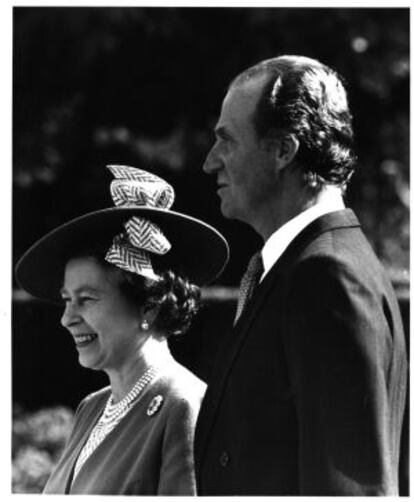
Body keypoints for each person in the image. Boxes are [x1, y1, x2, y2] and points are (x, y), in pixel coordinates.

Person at [194, 55, 408, 495]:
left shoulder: (327, 277)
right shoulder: (304, 268)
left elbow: (348, 487)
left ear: (283, 151)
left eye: (227, 141)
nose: (210, 162)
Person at [15, 164, 229, 495]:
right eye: (66, 300)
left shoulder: (184, 405)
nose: (67, 317)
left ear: (149, 305)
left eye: (85, 299)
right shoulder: (94, 407)